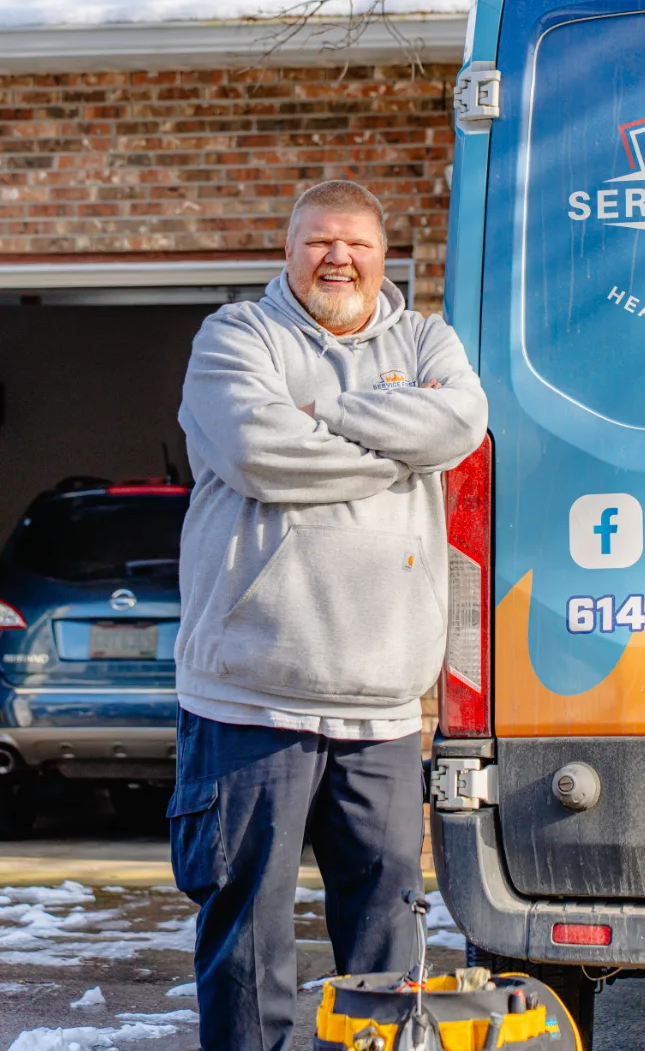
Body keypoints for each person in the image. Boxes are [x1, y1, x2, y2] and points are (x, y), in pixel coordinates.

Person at [169, 180, 488, 1051]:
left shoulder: (427, 338)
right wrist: (395, 452)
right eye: (317, 241)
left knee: (388, 946)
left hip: (382, 703)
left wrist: (328, 416)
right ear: (289, 251)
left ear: (385, 257)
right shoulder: (239, 336)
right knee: (248, 939)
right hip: (249, 694)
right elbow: (262, 453)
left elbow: (459, 423)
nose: (336, 257)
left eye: (354, 243)